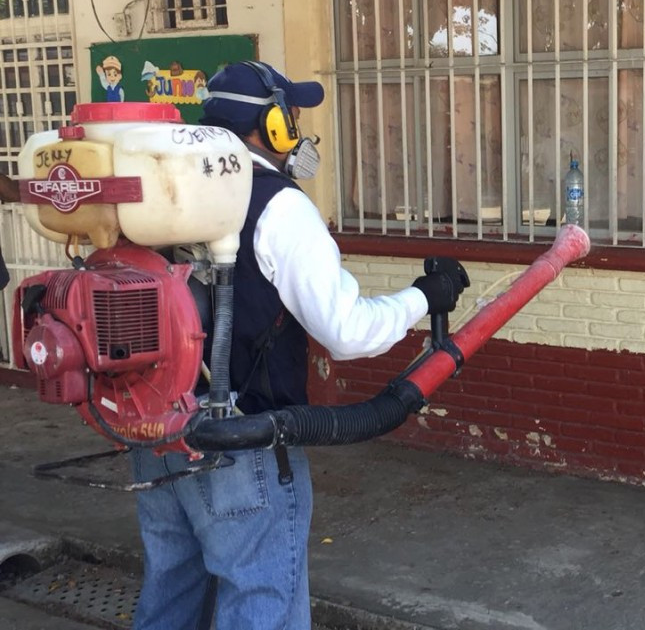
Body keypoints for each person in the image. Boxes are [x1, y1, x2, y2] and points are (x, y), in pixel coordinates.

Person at [129, 61, 469, 630]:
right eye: (293, 115)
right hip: (245, 442)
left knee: (171, 592)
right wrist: (423, 297)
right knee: (263, 597)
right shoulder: (279, 206)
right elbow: (347, 331)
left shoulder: (164, 193)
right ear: (273, 125)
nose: (301, 132)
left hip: (155, 432)